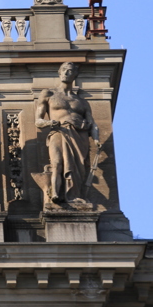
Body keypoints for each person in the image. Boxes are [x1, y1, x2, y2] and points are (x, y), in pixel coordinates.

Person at [35, 62, 99, 204]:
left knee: (78, 167)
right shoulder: (48, 94)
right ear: (59, 73)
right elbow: (37, 121)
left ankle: (74, 195)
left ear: (75, 75)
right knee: (57, 163)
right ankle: (56, 194)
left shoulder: (82, 102)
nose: (66, 73)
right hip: (59, 132)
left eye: (70, 71)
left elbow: (92, 124)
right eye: (63, 70)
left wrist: (96, 139)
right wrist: (49, 123)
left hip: (79, 136)